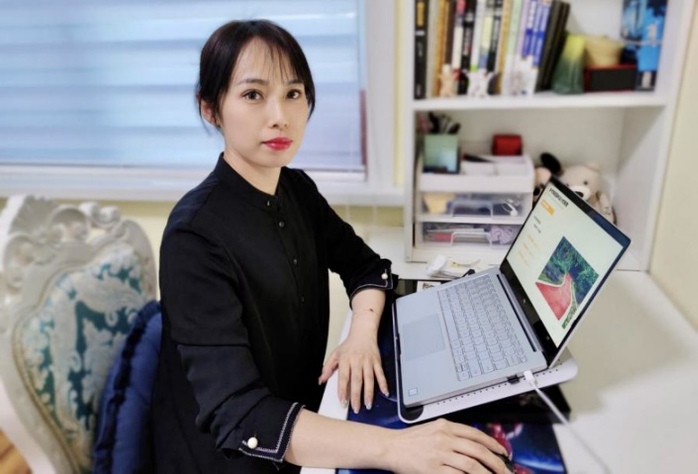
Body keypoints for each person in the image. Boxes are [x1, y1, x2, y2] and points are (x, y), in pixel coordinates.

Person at [152, 18, 512, 474]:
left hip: (311, 420)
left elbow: (367, 267)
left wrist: (360, 335)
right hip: (238, 458)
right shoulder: (193, 237)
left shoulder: (296, 188)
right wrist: (396, 448)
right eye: (253, 95)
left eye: (293, 93)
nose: (280, 116)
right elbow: (241, 417)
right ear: (211, 109)